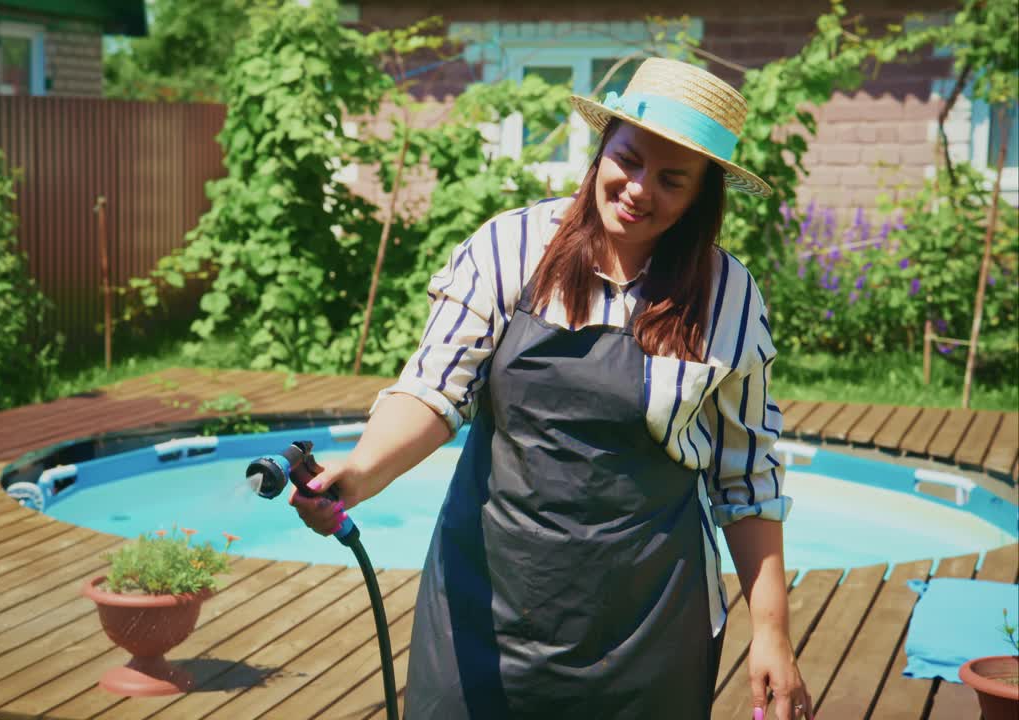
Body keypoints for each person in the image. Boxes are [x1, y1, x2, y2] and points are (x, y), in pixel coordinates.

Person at [292, 57, 813, 720]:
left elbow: (746, 480)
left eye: (672, 179)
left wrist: (771, 632)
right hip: (486, 610)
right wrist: (360, 470)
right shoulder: (510, 249)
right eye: (627, 159)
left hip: (652, 627)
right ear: (602, 150)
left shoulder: (728, 298)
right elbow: (432, 389)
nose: (638, 189)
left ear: (703, 194)